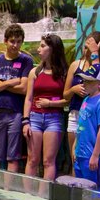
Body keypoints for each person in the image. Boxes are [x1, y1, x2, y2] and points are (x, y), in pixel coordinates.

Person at [0, 23, 33, 172]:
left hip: (16, 113)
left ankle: (10, 190)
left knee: (13, 156)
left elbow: (24, 88)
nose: (15, 45)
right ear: (5, 41)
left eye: (19, 41)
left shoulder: (26, 61)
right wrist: (11, 81)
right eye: (12, 41)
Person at [64, 31, 100, 169]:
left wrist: (95, 54)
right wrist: (74, 90)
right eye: (86, 46)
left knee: (91, 159)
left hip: (94, 115)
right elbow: (65, 95)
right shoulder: (76, 65)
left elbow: (99, 77)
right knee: (76, 158)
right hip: (77, 112)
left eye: (91, 46)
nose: (87, 50)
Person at [22, 34, 68, 181]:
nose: (39, 49)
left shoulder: (64, 73)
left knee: (48, 161)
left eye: (42, 46)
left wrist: (51, 104)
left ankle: (44, 197)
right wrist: (25, 121)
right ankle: (27, 195)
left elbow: (67, 100)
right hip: (35, 117)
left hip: (54, 118)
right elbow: (28, 98)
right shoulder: (34, 72)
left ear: (53, 49)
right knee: (32, 159)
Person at [74, 64, 100, 192]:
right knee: (82, 190)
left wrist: (95, 155)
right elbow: (81, 125)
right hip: (81, 153)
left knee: (95, 191)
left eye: (88, 81)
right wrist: (75, 146)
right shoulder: (86, 99)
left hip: (93, 155)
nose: (83, 83)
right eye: (84, 80)